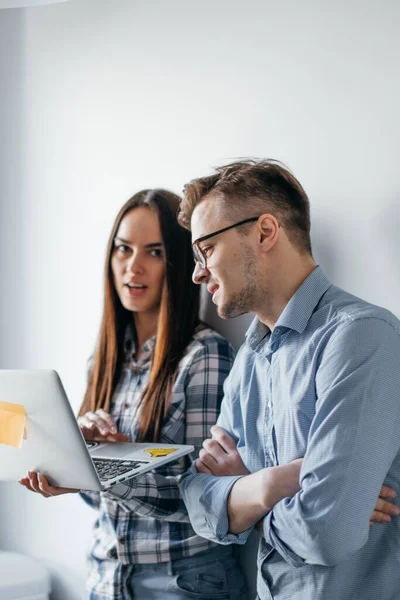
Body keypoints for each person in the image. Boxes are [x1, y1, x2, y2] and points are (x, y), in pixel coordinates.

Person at [177, 160, 400, 600]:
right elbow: (199, 503)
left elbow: (327, 533)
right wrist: (275, 484)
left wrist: (245, 494)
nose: (197, 273)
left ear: (264, 231)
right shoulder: (248, 360)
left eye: (206, 249)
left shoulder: (361, 336)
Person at [19, 189, 248, 600]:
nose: (133, 267)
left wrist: (108, 470)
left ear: (178, 264)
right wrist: (80, 457)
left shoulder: (204, 356)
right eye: (123, 249)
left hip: (185, 582)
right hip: (106, 579)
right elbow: (101, 505)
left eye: (154, 252)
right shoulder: (104, 360)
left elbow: (207, 499)